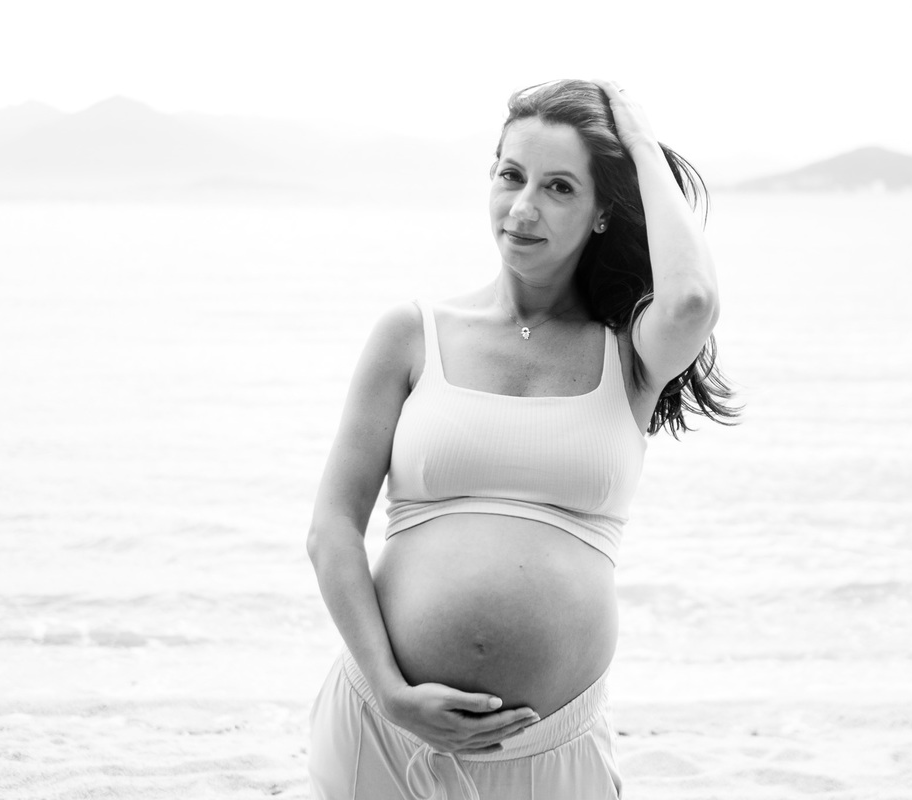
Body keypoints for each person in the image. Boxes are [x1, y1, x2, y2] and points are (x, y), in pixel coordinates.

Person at [305, 78, 738, 799]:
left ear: (602, 211)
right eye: (512, 175)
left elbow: (692, 298)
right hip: (383, 729)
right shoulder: (413, 334)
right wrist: (389, 691)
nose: (524, 208)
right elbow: (332, 528)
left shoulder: (631, 352)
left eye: (561, 187)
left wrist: (637, 144)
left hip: (550, 749)